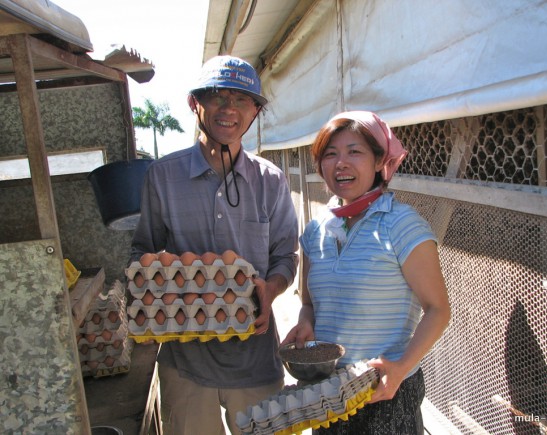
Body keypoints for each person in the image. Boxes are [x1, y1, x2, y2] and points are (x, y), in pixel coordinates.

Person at [131, 55, 299, 435]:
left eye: (242, 100)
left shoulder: (270, 180)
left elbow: (285, 256)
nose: (229, 109)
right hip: (186, 363)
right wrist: (168, 285)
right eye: (218, 97)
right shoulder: (162, 177)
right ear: (195, 104)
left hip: (255, 361)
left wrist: (269, 291)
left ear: (255, 111)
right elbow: (141, 253)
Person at [281, 111, 450, 434]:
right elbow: (310, 304)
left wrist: (400, 368)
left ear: (378, 161)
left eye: (354, 151)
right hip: (330, 391)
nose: (340, 163)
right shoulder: (315, 231)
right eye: (330, 154)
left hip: (387, 392)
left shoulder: (401, 224)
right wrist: (305, 323)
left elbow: (438, 309)